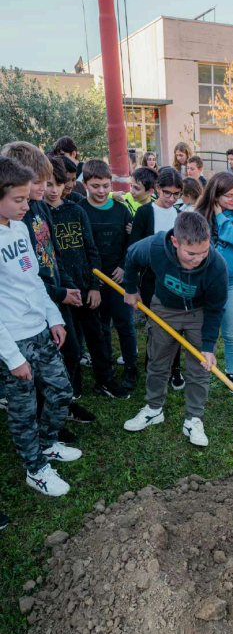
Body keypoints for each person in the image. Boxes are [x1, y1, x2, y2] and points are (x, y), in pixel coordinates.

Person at [0, 155, 81, 496]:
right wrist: (12, 358)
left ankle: (47, 445)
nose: (26, 205)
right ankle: (35, 469)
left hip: (40, 331)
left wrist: (54, 318)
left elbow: (34, 279)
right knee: (23, 412)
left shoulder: (19, 228)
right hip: (13, 342)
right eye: (18, 199)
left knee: (62, 390)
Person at [122, 211, 228, 447]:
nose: (198, 259)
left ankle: (193, 418)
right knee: (158, 360)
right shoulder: (156, 246)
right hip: (164, 308)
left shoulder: (217, 266)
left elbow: (215, 309)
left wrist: (209, 347)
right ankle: (153, 408)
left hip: (198, 313)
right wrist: (130, 288)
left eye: (203, 252)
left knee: (200, 367)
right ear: (175, 242)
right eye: (191, 253)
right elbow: (131, 257)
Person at [45, 157, 128, 400]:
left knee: (98, 336)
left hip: (84, 286)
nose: (53, 190)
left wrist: (94, 287)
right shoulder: (38, 214)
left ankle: (105, 380)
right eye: (47, 184)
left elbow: (91, 250)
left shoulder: (76, 211)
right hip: (59, 292)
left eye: (58, 184)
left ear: (66, 185)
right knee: (68, 343)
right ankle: (73, 385)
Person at [78, 159, 138, 391]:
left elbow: (131, 243)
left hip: (118, 278)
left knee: (124, 324)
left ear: (111, 184)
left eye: (105, 185)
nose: (101, 191)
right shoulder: (80, 210)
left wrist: (124, 266)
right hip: (94, 280)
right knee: (101, 326)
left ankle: (130, 366)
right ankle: (105, 365)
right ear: (85, 184)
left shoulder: (121, 210)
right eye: (95, 186)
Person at [195, 171, 233, 390]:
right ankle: (206, 366)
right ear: (214, 194)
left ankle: (231, 372)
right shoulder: (199, 214)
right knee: (207, 329)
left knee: (230, 331)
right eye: (228, 195)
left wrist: (220, 217)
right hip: (206, 282)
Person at [130, 167, 185, 389]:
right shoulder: (144, 213)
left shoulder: (180, 215)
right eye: (167, 193)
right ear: (157, 190)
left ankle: (175, 368)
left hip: (176, 278)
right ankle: (152, 365)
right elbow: (133, 249)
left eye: (176, 194)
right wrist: (131, 284)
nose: (171, 198)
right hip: (151, 278)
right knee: (155, 326)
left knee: (177, 324)